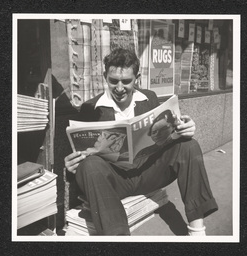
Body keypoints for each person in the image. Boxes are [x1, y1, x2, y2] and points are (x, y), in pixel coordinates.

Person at [64, 48, 218, 236]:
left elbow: (167, 138)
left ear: (136, 77)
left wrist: (185, 130)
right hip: (114, 182)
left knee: (189, 145)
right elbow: (82, 157)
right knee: (90, 165)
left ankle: (197, 232)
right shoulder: (90, 108)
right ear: (105, 76)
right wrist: (72, 167)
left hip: (148, 174)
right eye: (113, 81)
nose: (119, 88)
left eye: (126, 81)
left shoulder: (149, 98)